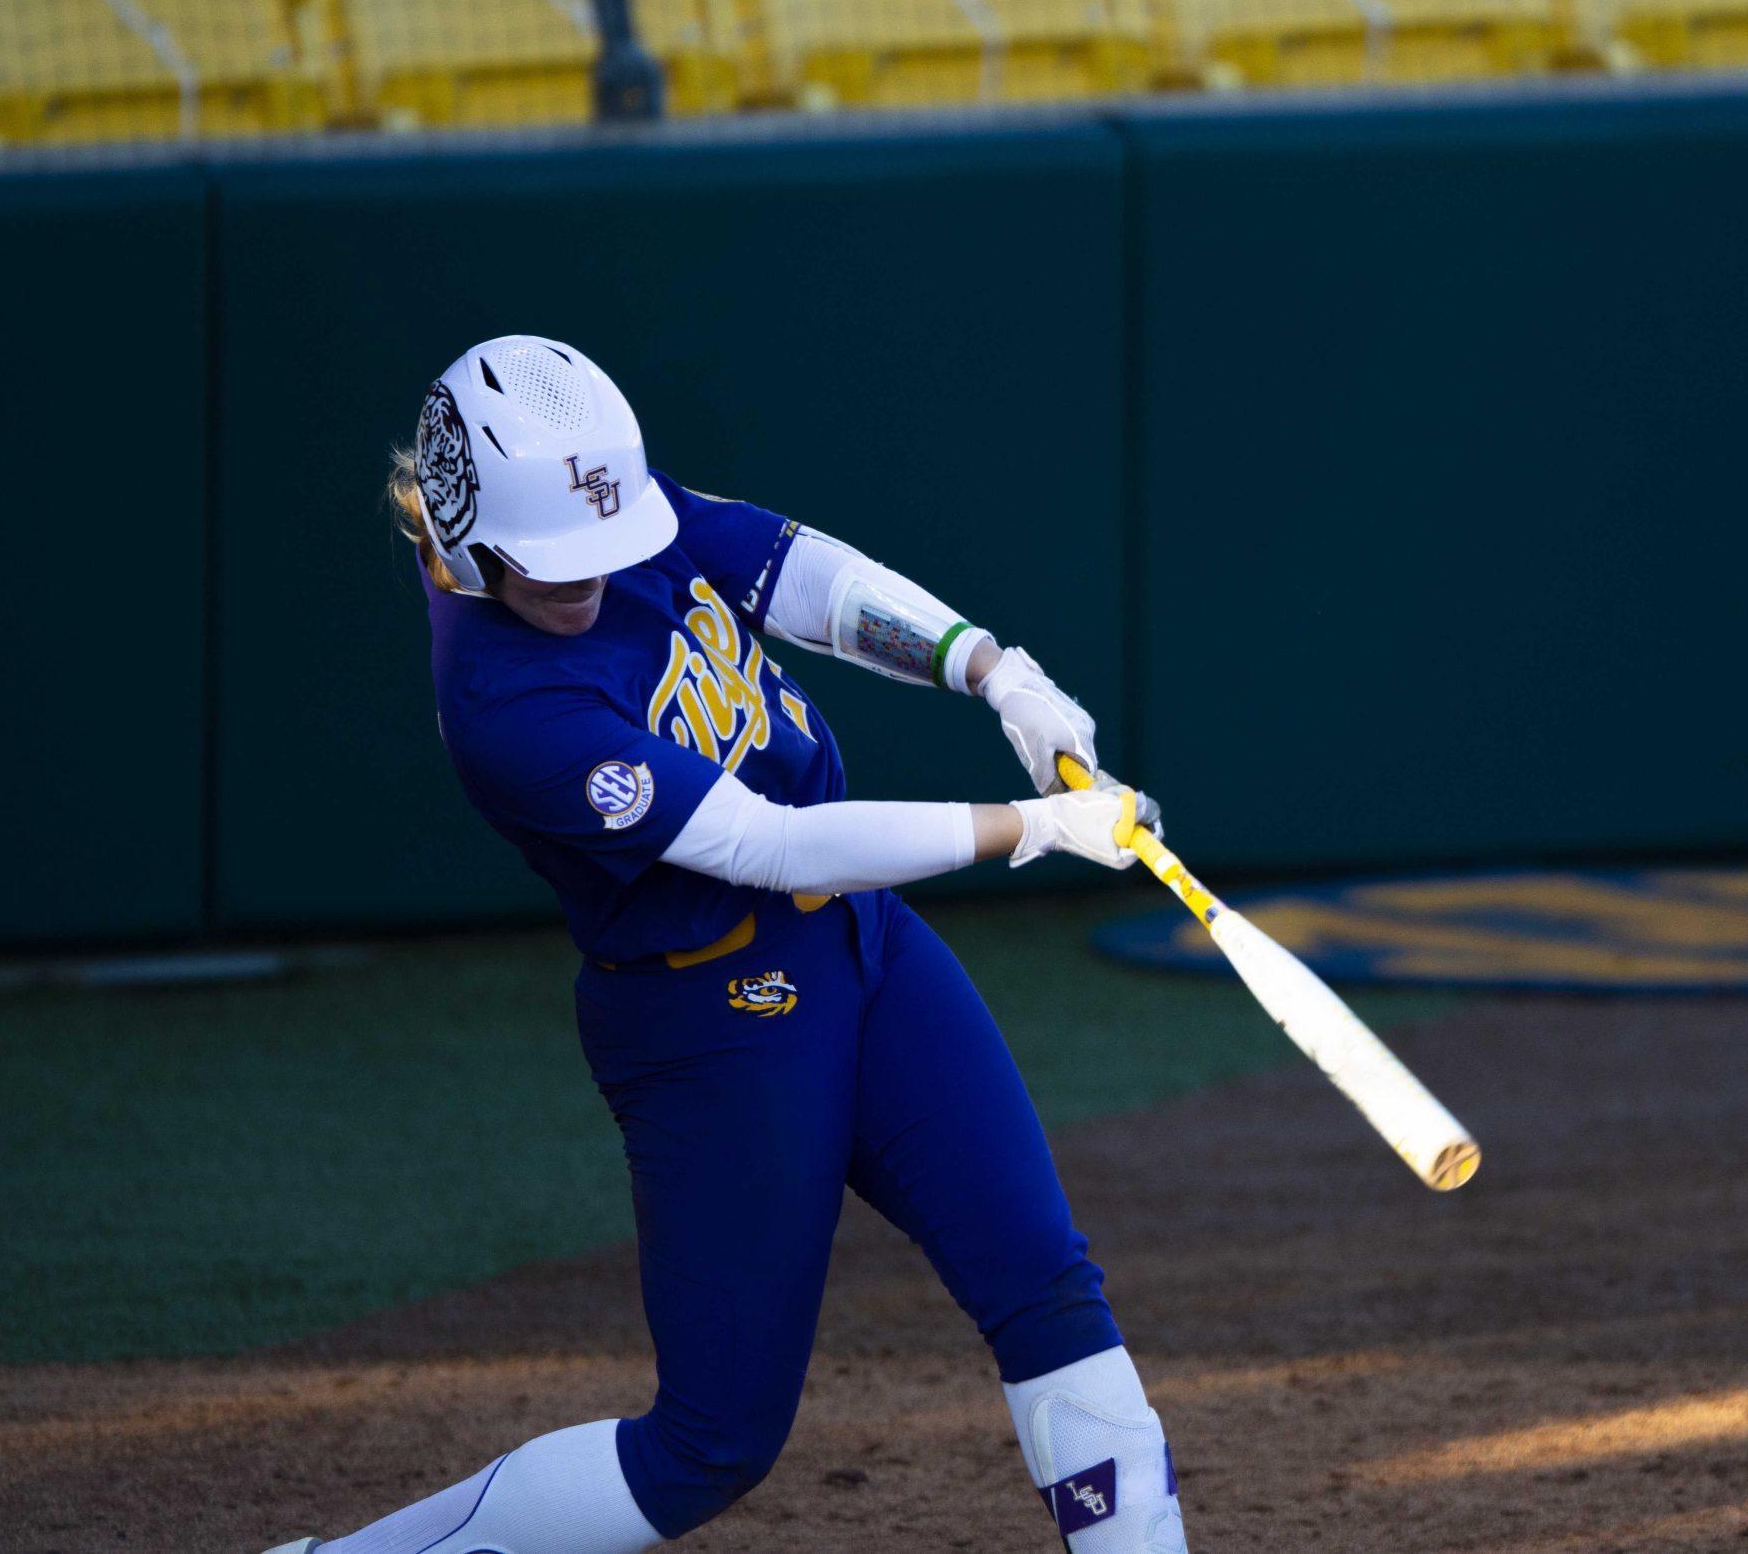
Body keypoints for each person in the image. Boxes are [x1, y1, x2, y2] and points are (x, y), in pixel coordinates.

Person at [263, 335, 1185, 1554]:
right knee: (708, 1445)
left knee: (1046, 1285)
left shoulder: (604, 513)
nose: (589, 580)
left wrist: (993, 672)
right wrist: (1038, 829)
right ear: (465, 531)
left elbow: (792, 573)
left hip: (865, 952)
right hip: (715, 1025)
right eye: (553, 566)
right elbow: (772, 847)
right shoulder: (507, 708)